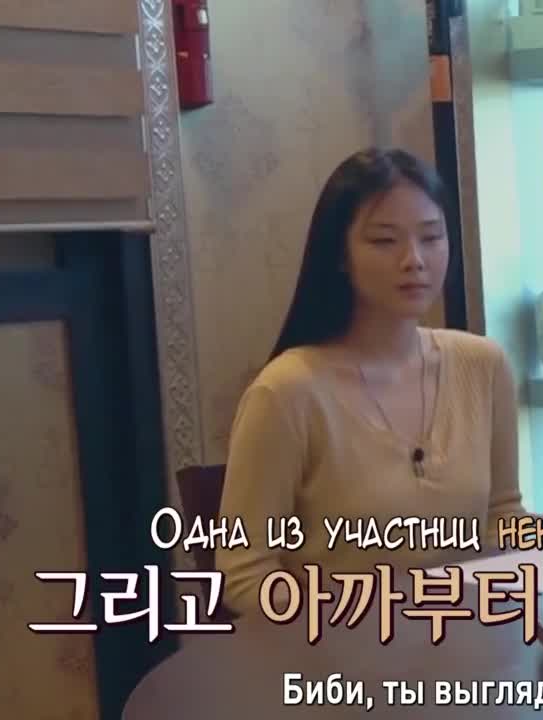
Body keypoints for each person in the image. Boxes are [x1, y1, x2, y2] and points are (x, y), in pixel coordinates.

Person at [216, 148, 525, 615]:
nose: (414, 260)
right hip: (338, 650)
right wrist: (373, 613)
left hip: (468, 638)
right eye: (384, 241)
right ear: (340, 255)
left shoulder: (483, 365)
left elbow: (503, 520)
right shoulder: (287, 391)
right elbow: (244, 574)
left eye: (432, 237)